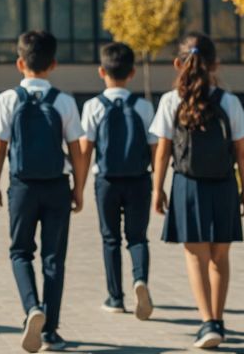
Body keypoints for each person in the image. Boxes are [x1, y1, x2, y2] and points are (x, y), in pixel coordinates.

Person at [0, 30, 87, 352]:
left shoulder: (8, 99)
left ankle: (32, 308)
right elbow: (77, 150)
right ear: (53, 64)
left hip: (22, 187)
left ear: (20, 63)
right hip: (57, 186)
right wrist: (79, 189)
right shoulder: (64, 101)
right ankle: (51, 332)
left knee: (20, 252)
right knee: (54, 259)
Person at [150, 33, 244, 349]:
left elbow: (163, 150)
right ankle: (218, 320)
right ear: (215, 65)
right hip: (223, 184)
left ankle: (207, 322)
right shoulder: (229, 101)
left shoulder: (171, 101)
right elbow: (242, 152)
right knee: (220, 256)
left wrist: (157, 189)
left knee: (196, 256)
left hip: (187, 185)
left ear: (177, 63)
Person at [78, 42, 157, 320]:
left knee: (110, 239)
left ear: (101, 71)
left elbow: (85, 151)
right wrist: (158, 186)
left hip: (106, 181)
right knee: (138, 237)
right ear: (132, 73)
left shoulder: (92, 106)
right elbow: (155, 148)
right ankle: (140, 279)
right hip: (139, 180)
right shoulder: (144, 107)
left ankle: (115, 297)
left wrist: (78, 188)